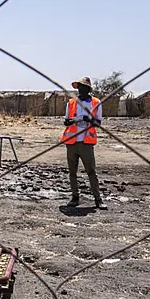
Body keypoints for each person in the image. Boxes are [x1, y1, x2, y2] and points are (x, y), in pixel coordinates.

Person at [61, 76, 107, 210]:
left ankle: (98, 199)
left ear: (88, 89)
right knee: (72, 172)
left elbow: (98, 123)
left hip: (87, 142)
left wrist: (89, 119)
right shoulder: (71, 103)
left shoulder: (96, 103)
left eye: (82, 87)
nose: (80, 90)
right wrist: (70, 121)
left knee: (91, 171)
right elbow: (66, 120)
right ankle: (75, 197)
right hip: (72, 142)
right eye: (78, 87)